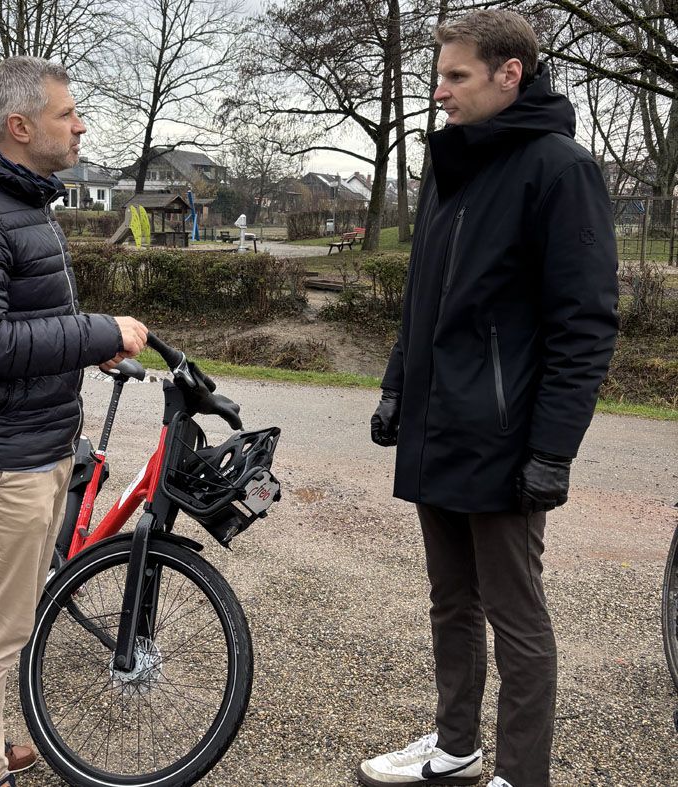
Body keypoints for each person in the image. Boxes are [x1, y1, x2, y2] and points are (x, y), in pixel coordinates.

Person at [360, 10, 618, 787]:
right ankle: (455, 747)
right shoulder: (452, 164)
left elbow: (585, 325)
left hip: (505, 439)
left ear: (510, 74)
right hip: (437, 425)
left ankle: (522, 774)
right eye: (438, 76)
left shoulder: (560, 170)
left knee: (516, 612)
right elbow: (424, 298)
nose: (439, 91)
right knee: (450, 599)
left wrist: (552, 450)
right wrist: (396, 387)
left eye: (455, 75)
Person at [0, 56, 148, 787]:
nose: (80, 126)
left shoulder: (18, 201)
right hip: (1, 454)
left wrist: (86, 346)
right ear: (19, 127)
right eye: (66, 114)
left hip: (32, 442)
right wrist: (97, 332)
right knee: (1, 627)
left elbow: (27, 322)